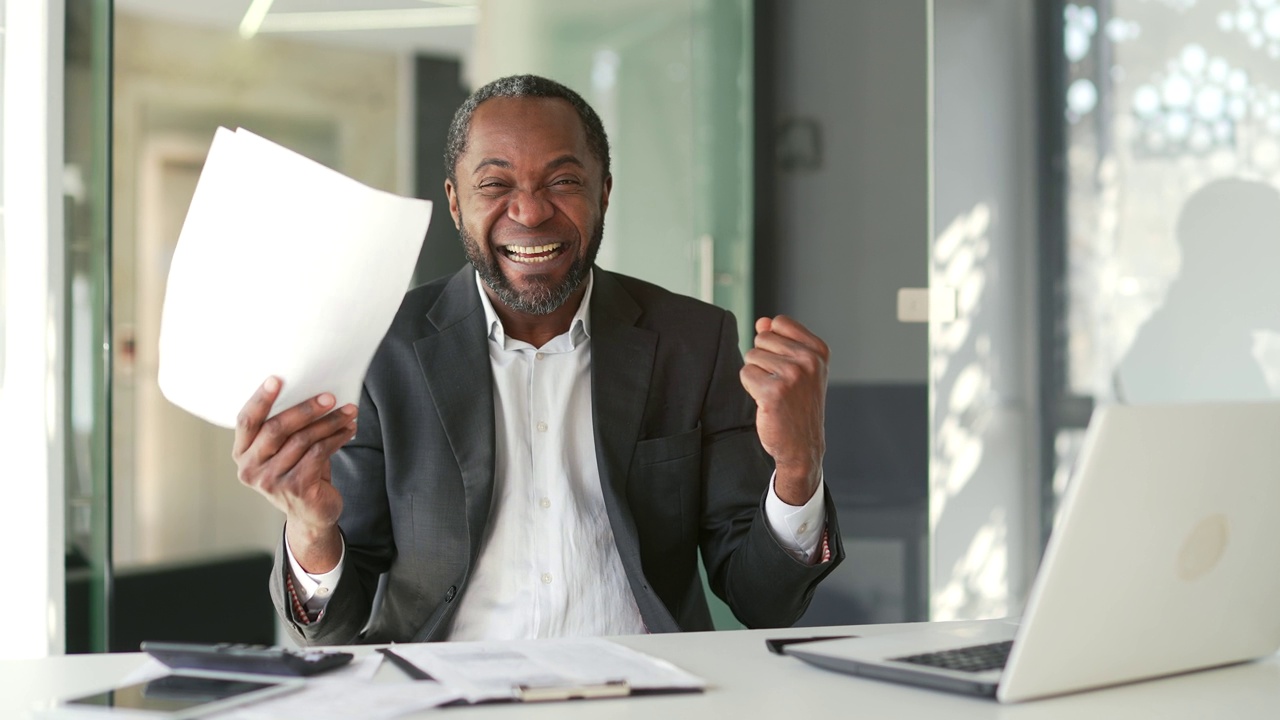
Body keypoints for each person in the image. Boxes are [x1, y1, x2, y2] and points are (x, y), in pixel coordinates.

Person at [233, 75, 843, 646]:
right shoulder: (380, 346)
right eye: (495, 185)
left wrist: (797, 467)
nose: (529, 212)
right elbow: (335, 629)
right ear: (454, 202)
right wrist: (312, 531)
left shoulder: (693, 340)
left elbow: (764, 601)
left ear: (603, 192)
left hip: (646, 694)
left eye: (563, 181)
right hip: (446, 700)